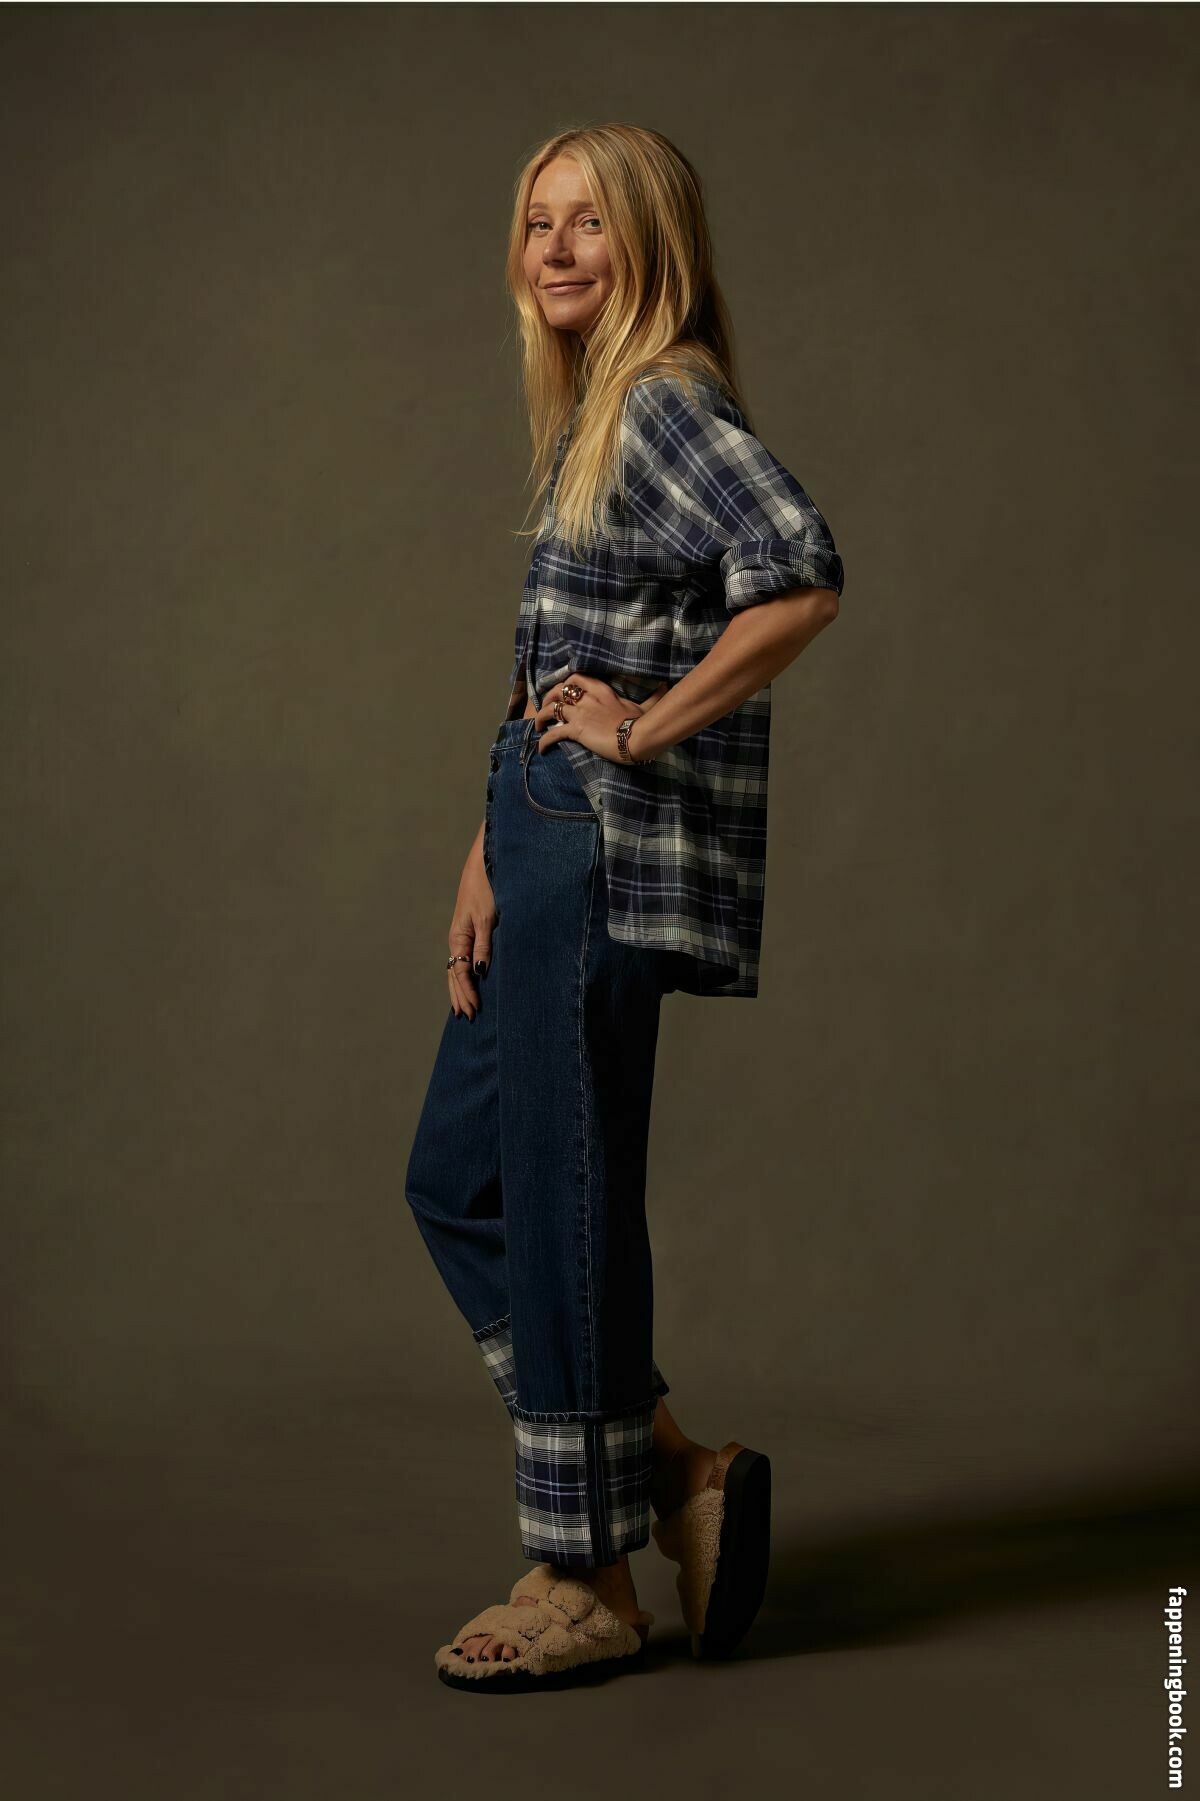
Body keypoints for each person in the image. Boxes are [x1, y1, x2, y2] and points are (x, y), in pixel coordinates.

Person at [405, 123, 845, 1691]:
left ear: (652, 241)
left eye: (590, 220)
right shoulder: (595, 415)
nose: (556, 245)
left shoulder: (662, 404)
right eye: (538, 219)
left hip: (597, 849)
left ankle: (585, 1573)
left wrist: (643, 729)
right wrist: (487, 843)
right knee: (464, 1181)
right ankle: (667, 1473)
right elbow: (549, 665)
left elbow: (799, 571)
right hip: (537, 836)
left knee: (562, 1189)